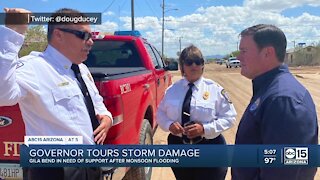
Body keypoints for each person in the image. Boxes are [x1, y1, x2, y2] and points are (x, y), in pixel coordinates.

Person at [0, 8, 113, 180]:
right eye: (84, 35)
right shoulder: (33, 67)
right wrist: (14, 31)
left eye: (91, 37)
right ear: (59, 35)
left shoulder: (80, 68)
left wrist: (106, 117)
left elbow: (96, 102)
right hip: (55, 170)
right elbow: (3, 95)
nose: (91, 42)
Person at [232, 24, 318, 180]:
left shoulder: (283, 100)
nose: (238, 57)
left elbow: (284, 172)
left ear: (267, 53)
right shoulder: (270, 90)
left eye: (244, 51)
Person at [156, 45, 237, 180]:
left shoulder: (215, 90)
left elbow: (229, 117)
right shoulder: (172, 90)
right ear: (182, 66)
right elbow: (160, 114)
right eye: (189, 62)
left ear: (202, 65)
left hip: (210, 149)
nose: (194, 65)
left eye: (198, 62)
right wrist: (169, 124)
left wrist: (205, 129)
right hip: (179, 147)